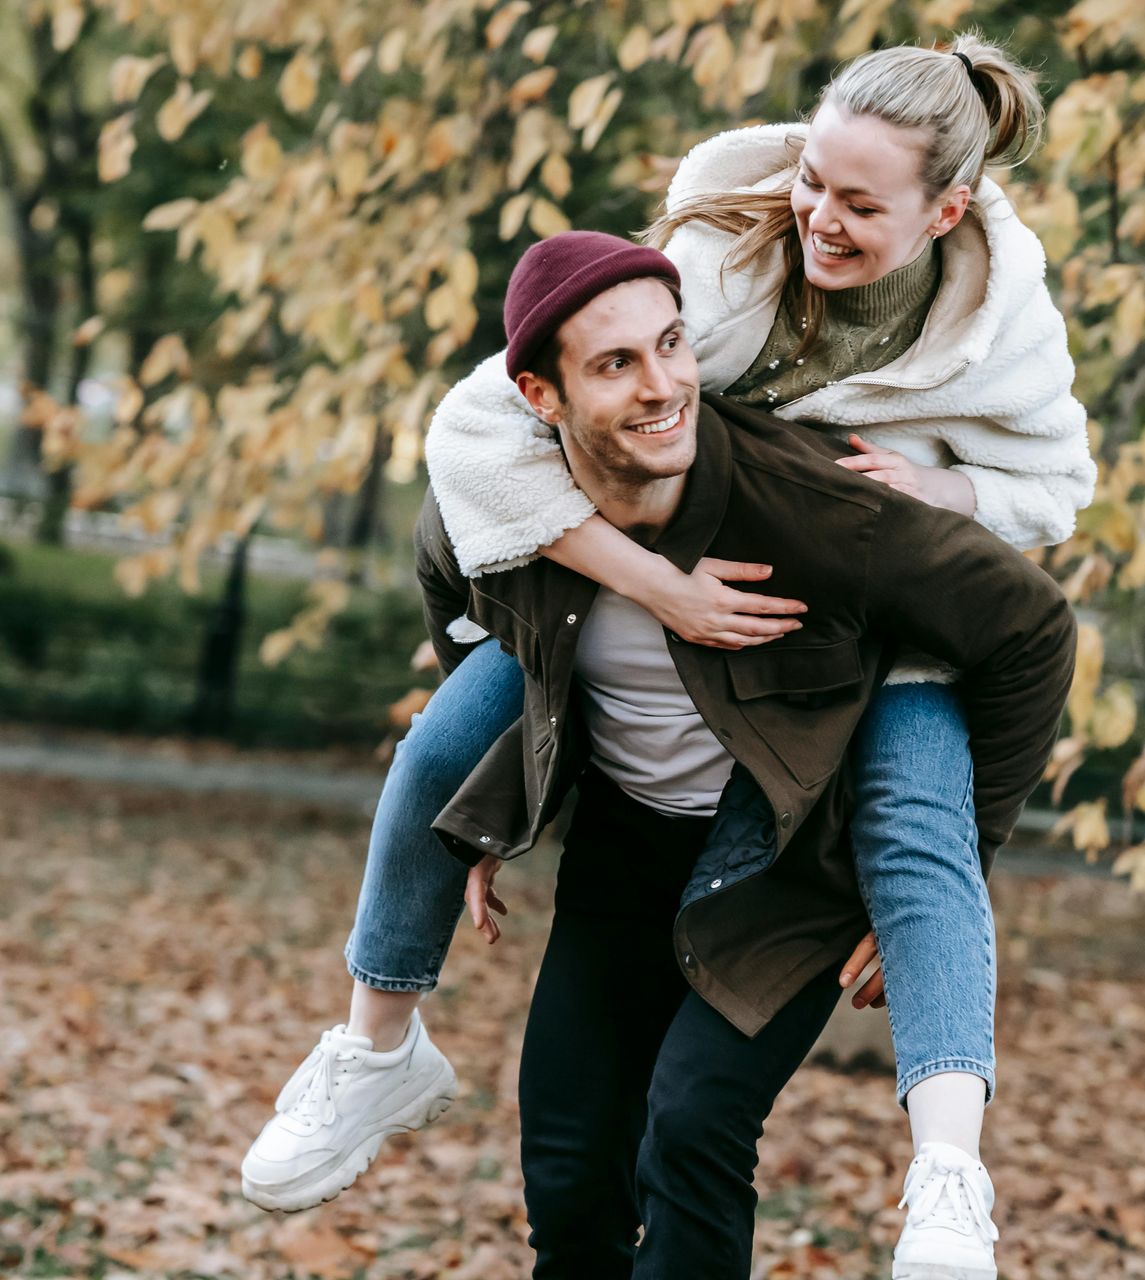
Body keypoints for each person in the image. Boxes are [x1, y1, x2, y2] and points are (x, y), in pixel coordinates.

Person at [243, 35, 1092, 1270]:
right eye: (813, 180)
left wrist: (947, 493)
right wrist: (513, 776)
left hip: (851, 628)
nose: (821, 217)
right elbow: (464, 502)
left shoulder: (976, 350)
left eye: (862, 204)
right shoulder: (707, 275)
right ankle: (375, 1048)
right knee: (452, 782)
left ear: (946, 208)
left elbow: (1043, 543)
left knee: (910, 831)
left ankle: (950, 1171)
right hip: (652, 734)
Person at [461, 235, 1069, 1273]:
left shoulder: (814, 501)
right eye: (616, 365)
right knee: (568, 1175)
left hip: (784, 868)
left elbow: (1032, 632)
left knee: (692, 1128)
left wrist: (959, 861)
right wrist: (494, 800)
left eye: (672, 345)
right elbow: (483, 624)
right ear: (540, 396)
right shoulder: (512, 510)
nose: (664, 387)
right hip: (622, 853)